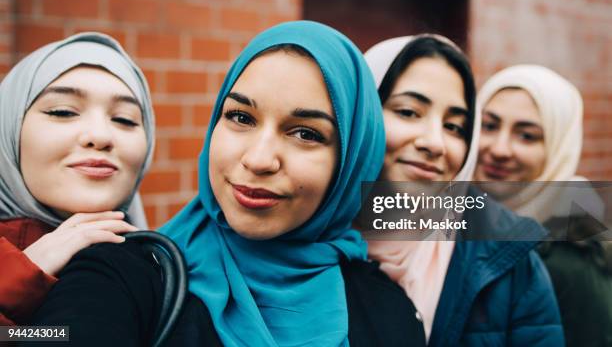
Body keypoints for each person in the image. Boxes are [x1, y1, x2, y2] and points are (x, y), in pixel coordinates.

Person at [28, 21, 426, 346]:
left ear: (353, 161)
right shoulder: (127, 273)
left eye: (305, 133)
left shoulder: (387, 310)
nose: (257, 159)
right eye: (241, 118)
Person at [363, 36, 564, 346]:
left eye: (454, 126)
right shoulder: (305, 233)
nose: (435, 143)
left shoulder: (510, 259)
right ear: (362, 113)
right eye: (408, 112)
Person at [0, 32, 155, 325]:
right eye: (63, 111)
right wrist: (17, 275)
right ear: (8, 130)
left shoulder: (168, 263)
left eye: (124, 118)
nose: (100, 136)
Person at [476, 64, 612, 347]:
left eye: (527, 135)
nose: (500, 149)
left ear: (558, 147)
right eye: (489, 126)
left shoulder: (573, 255)